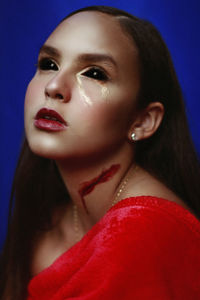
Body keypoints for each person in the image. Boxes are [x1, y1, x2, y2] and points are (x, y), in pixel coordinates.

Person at [1, 5, 200, 300]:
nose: (54, 86)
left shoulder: (145, 235)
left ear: (143, 121)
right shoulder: (51, 215)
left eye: (94, 73)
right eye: (48, 64)